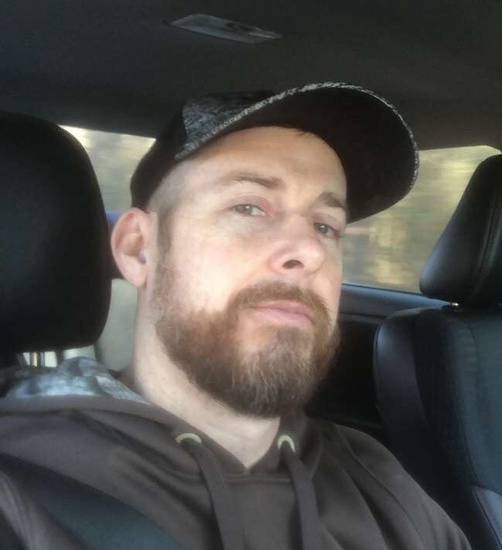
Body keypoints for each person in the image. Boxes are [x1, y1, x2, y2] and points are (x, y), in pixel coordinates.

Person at [0, 82, 471, 549]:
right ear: (139, 249)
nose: (310, 251)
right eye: (249, 207)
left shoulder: (377, 482)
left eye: (326, 226)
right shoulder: (20, 487)